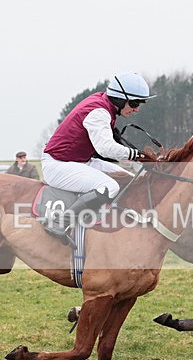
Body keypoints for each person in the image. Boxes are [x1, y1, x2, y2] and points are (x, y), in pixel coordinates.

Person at [41, 72, 154, 242]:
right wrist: (137, 155)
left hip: (80, 161)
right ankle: (60, 222)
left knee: (130, 179)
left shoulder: (103, 103)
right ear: (120, 99)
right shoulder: (99, 112)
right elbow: (106, 149)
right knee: (109, 187)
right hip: (58, 165)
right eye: (135, 103)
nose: (137, 109)